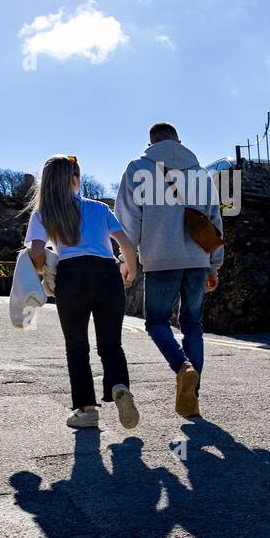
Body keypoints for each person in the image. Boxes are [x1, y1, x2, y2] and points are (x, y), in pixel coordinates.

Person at [115, 122, 224, 420]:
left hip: (161, 260)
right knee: (192, 324)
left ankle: (181, 367)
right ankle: (192, 397)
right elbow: (215, 220)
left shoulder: (138, 169)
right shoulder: (201, 173)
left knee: (157, 322)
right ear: (179, 141)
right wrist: (214, 263)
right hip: (199, 260)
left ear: (150, 144)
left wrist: (127, 260)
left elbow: (128, 220)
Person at [24, 155, 141, 430]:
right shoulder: (99, 208)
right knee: (111, 345)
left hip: (71, 276)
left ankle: (87, 411)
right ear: (75, 180)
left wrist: (42, 273)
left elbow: (38, 251)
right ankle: (119, 386)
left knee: (77, 347)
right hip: (108, 274)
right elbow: (126, 244)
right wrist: (131, 271)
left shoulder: (43, 213)